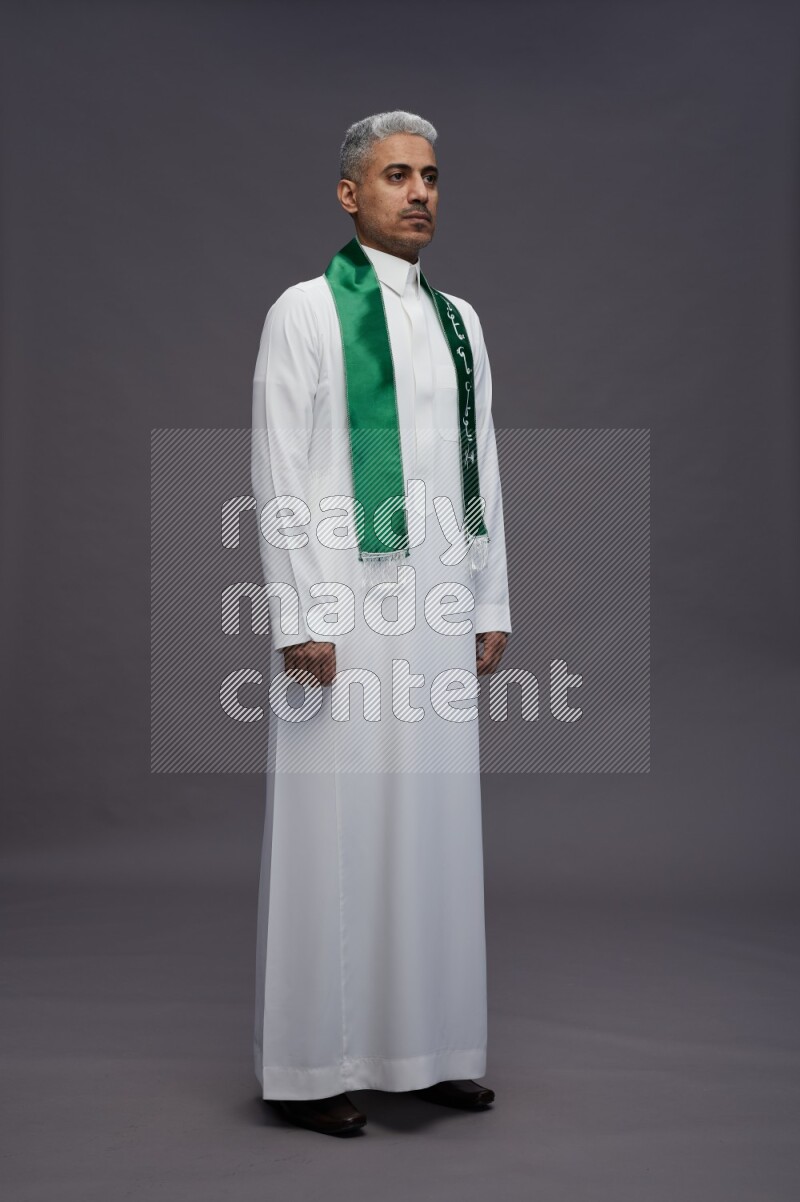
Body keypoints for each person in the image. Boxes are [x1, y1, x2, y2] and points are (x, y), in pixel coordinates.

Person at [250, 110, 512, 1136]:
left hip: (437, 600)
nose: (420, 194)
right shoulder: (305, 312)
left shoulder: (461, 322)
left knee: (434, 828)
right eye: (396, 175)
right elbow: (276, 472)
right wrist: (298, 613)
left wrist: (488, 598)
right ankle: (312, 1065)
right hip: (342, 607)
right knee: (337, 831)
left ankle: (431, 1046)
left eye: (432, 177)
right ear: (349, 194)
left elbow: (480, 463)